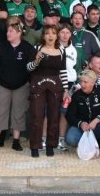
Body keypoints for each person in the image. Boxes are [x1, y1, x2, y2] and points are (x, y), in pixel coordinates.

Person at [0, 19, 35, 152]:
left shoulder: (27, 48)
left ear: (19, 33)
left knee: (19, 113)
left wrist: (28, 82)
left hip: (21, 86)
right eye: (7, 31)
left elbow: (32, 67)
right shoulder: (1, 47)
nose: (8, 33)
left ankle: (16, 141)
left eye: (11, 31)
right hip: (2, 85)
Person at [27, 26, 70, 157]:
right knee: (36, 116)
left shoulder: (61, 51)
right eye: (47, 33)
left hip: (56, 86)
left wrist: (66, 89)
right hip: (38, 85)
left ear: (57, 36)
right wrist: (36, 61)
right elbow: (29, 68)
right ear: (43, 36)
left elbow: (63, 72)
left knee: (54, 117)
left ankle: (51, 145)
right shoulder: (36, 49)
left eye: (53, 33)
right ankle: (35, 146)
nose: (50, 36)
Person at [65, 69, 100, 158]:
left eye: (85, 82)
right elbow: (69, 115)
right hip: (84, 129)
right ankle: (90, 144)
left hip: (99, 126)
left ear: (93, 82)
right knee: (71, 138)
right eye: (81, 81)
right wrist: (80, 123)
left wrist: (96, 120)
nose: (82, 84)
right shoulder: (77, 95)